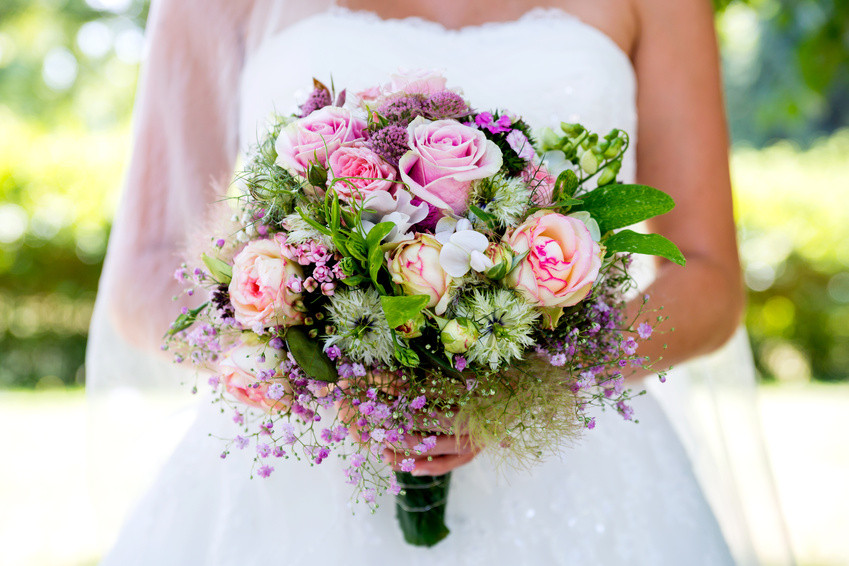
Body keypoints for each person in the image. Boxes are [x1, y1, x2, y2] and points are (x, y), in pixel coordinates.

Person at [87, 0, 792, 564]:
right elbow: (147, 272)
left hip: (579, 475)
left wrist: (530, 381)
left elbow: (707, 278)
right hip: (297, 484)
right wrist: (313, 367)